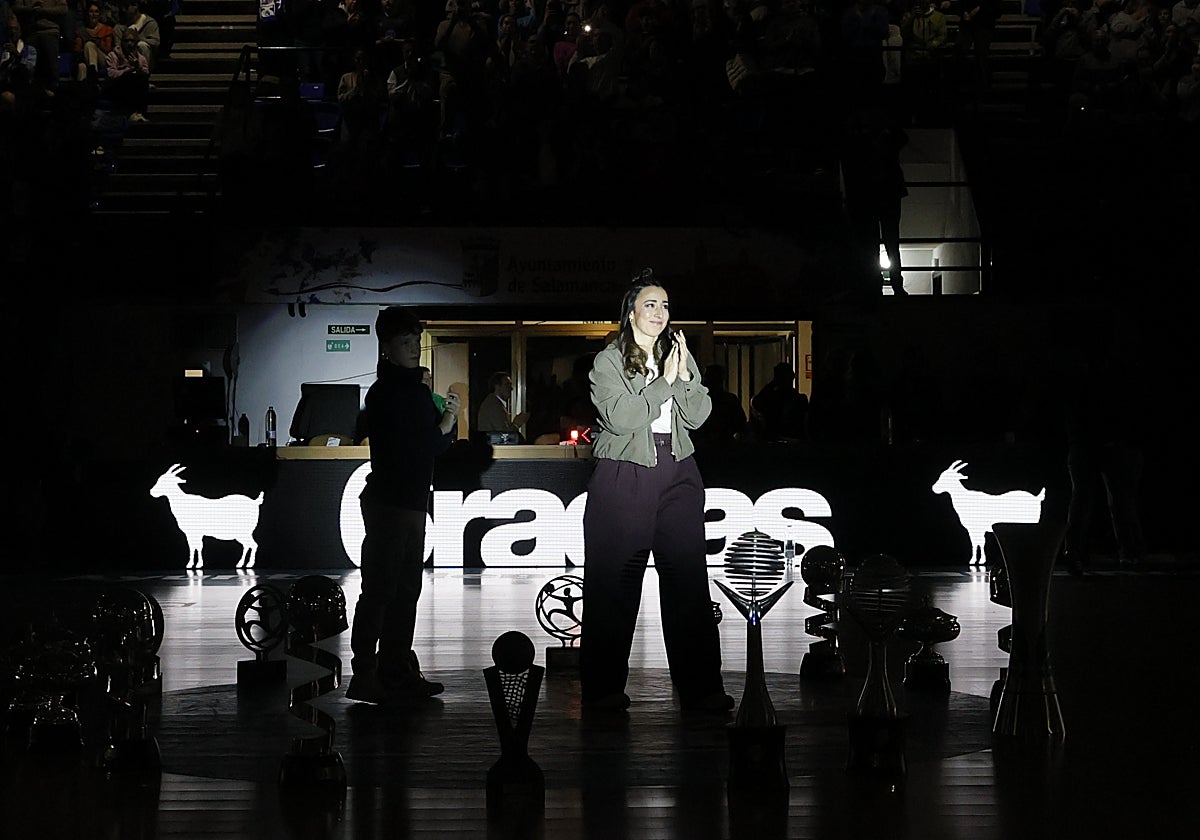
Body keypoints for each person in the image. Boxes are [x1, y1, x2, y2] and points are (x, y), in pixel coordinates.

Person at [580, 271, 733, 715]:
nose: (659, 313)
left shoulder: (678, 354)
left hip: (679, 473)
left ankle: (702, 691)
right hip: (624, 474)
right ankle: (603, 693)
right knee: (614, 587)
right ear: (631, 313)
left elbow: (700, 414)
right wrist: (664, 382)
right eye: (650, 305)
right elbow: (623, 418)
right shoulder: (608, 361)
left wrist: (684, 376)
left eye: (665, 306)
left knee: (688, 583)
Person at [347, 306, 462, 704]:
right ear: (386, 347)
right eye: (405, 341)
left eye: (416, 340)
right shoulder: (394, 392)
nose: (413, 347)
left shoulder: (399, 390)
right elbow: (423, 447)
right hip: (395, 502)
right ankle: (369, 673)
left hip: (405, 501)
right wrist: (446, 422)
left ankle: (391, 670)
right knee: (383, 590)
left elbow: (430, 447)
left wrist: (444, 426)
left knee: (401, 591)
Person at [750, 360, 808, 441]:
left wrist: (773, 383)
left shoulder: (771, 398)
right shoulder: (800, 399)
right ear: (792, 377)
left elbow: (756, 402)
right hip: (794, 442)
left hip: (772, 440)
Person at [476, 370, 529, 437]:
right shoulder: (493, 405)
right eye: (507, 385)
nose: (511, 388)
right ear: (497, 386)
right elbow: (504, 436)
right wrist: (516, 424)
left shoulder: (494, 403)